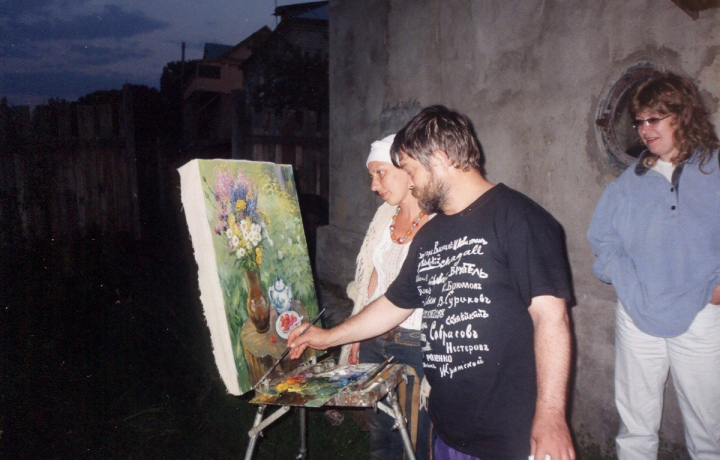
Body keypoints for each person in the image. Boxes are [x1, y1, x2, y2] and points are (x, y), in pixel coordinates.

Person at [290, 105, 576, 460]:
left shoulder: (519, 219)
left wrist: (551, 416)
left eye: (411, 171)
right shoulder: (431, 234)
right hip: (447, 430)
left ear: (439, 159)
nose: (410, 182)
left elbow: (552, 319)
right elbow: (394, 304)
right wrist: (328, 337)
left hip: (509, 435)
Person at [587, 72, 720, 459]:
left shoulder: (713, 169)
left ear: (682, 115)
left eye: (654, 119)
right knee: (635, 428)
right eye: (639, 121)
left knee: (708, 430)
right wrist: (626, 282)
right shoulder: (631, 180)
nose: (645, 130)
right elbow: (602, 240)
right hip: (637, 316)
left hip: (699, 314)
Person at [339, 133, 433, 459]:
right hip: (374, 341)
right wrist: (356, 334)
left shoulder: (439, 221)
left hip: (415, 345)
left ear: (408, 171)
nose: (374, 185)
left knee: (415, 441)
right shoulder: (384, 216)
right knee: (381, 435)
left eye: (380, 173)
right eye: (371, 175)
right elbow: (371, 279)